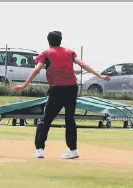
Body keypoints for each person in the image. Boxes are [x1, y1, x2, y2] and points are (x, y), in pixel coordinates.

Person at [12, 31, 110, 159]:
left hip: (57, 89)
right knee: (70, 119)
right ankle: (73, 150)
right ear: (60, 40)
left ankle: (40, 149)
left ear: (49, 41)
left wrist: (24, 85)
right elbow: (83, 64)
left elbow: (37, 69)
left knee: (46, 120)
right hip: (72, 88)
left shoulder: (46, 53)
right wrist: (100, 76)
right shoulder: (70, 52)